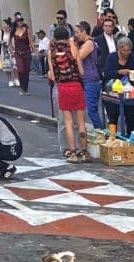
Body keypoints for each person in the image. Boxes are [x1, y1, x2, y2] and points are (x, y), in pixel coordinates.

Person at [46, 27, 86, 163]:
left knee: (68, 122)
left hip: (62, 87)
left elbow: (52, 75)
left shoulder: (51, 53)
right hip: (76, 85)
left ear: (55, 38)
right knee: (80, 122)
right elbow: (81, 71)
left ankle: (72, 152)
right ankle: (85, 152)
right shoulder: (73, 49)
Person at [102, 36, 134, 133]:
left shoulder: (133, 58)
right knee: (113, 118)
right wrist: (119, 72)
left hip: (128, 91)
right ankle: (113, 138)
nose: (127, 53)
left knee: (130, 117)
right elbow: (106, 74)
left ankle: (130, 139)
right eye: (124, 50)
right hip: (113, 91)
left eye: (129, 50)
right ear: (119, 49)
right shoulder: (112, 57)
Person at [75, 23, 103, 132]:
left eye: (77, 32)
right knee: (92, 109)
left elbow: (79, 56)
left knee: (91, 110)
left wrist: (74, 45)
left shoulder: (89, 43)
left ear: (84, 32)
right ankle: (100, 131)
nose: (76, 35)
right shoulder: (86, 43)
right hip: (88, 79)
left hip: (91, 79)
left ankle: (100, 131)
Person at [10, 16, 34, 95]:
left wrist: (35, 51)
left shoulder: (26, 30)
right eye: (19, 21)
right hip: (18, 53)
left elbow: (31, 42)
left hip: (26, 52)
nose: (20, 22)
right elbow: (9, 43)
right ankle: (21, 88)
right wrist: (12, 52)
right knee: (20, 70)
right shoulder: (13, 31)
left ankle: (25, 88)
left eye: (21, 20)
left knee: (26, 71)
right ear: (16, 22)